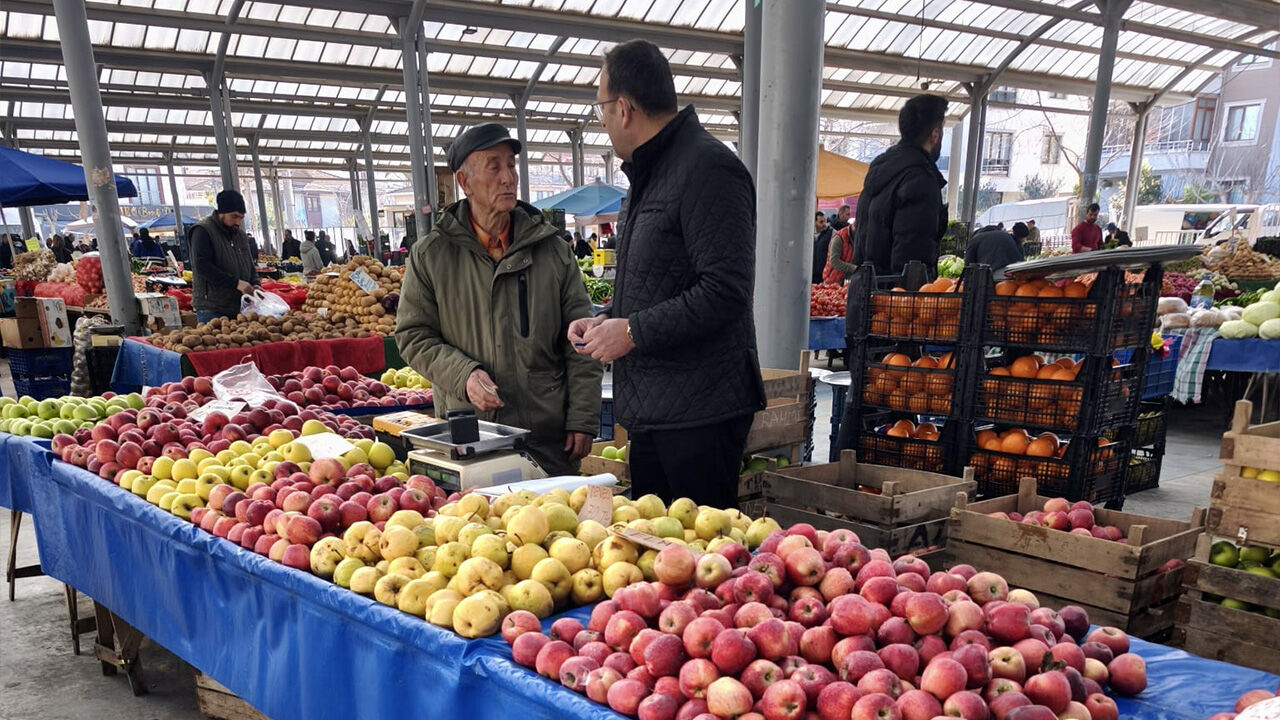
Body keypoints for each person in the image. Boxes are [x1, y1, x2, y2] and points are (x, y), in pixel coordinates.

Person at [568, 39, 765, 507]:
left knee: (699, 560)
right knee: (657, 560)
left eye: (600, 108)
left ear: (623, 108)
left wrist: (632, 331)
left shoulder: (709, 169)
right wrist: (609, 319)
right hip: (657, 409)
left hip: (701, 413)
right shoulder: (650, 172)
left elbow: (725, 291)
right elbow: (661, 280)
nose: (602, 122)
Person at [396, 122, 602, 477]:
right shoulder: (431, 255)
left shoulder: (552, 251)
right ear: (464, 181)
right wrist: (464, 374)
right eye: (494, 166)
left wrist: (583, 418)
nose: (508, 178)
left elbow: (581, 339)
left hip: (545, 440)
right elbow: (413, 335)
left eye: (511, 165)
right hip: (472, 439)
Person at [851, 94, 949, 275]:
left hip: (865, 289)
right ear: (935, 134)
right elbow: (912, 258)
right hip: (894, 297)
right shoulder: (920, 178)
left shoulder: (881, 168)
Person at [189, 190, 260, 323]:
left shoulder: (240, 235)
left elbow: (250, 266)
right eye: (234, 216)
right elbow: (202, 266)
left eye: (241, 218)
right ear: (221, 212)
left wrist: (256, 284)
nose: (238, 222)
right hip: (212, 308)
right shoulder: (202, 231)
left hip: (239, 307)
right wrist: (236, 283)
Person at [812, 210, 833, 284]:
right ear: (814, 222)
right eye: (821, 222)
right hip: (811, 273)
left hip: (824, 273)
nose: (824, 224)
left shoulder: (831, 233)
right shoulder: (808, 233)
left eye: (825, 221)